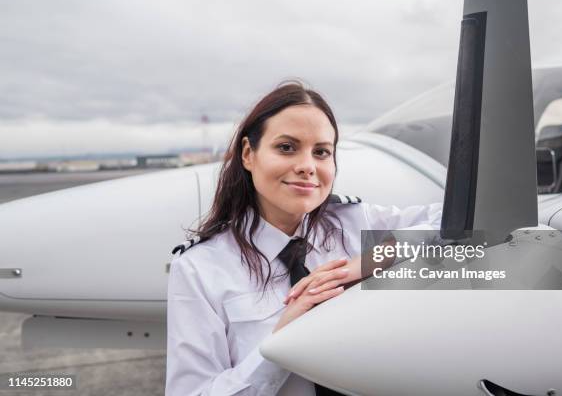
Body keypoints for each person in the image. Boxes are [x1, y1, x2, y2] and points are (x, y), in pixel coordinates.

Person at [165, 82, 442, 396]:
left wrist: (366, 263)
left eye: (321, 152)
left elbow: (464, 221)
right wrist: (279, 345)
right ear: (248, 154)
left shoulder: (355, 223)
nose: (308, 167)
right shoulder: (199, 268)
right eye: (286, 147)